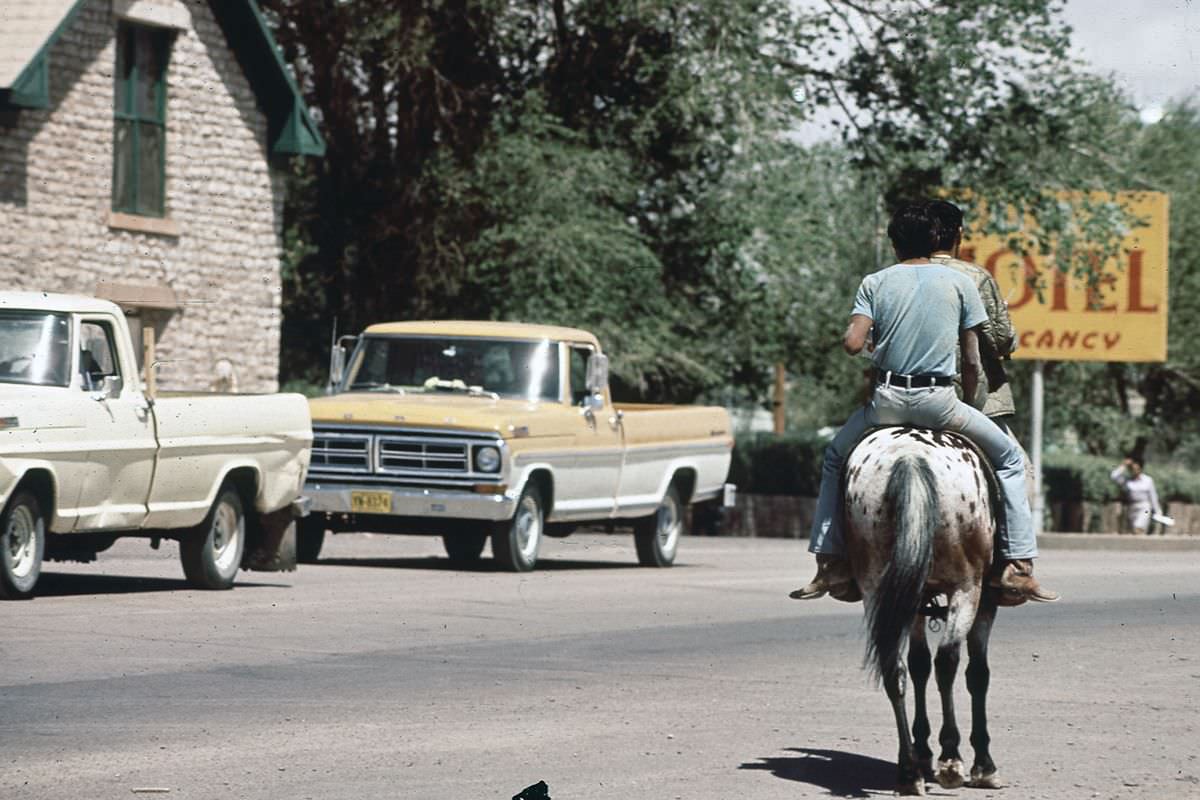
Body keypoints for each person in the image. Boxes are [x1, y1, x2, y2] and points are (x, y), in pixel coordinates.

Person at [792, 202, 1059, 604]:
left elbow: (851, 343)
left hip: (886, 403)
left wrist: (872, 345)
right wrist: (968, 403)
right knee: (1007, 460)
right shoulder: (962, 283)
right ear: (937, 239)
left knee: (834, 458)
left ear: (893, 243)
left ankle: (829, 562)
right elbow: (971, 361)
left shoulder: (875, 282)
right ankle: (1018, 566)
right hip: (940, 402)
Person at [1110, 457, 1162, 534]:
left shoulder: (1148, 480)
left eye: (1136, 469)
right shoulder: (1127, 481)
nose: (1134, 471)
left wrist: (1158, 511)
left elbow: (1153, 496)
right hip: (1132, 507)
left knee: (1139, 527)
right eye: (1132, 469)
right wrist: (1124, 465)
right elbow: (1114, 476)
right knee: (1134, 531)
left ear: (1140, 469)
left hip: (1145, 508)